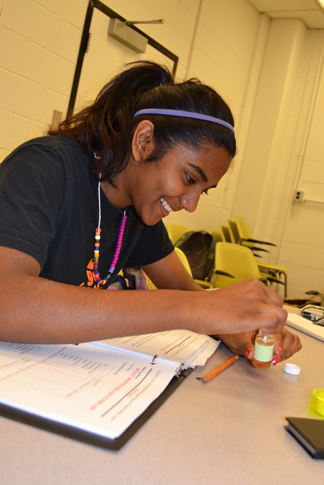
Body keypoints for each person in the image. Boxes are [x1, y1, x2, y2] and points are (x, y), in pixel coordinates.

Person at [0, 61, 301, 364]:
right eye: (189, 178)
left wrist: (237, 327)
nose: (191, 204)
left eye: (203, 190)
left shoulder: (137, 210)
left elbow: (187, 292)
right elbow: (6, 300)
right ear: (144, 141)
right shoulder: (44, 167)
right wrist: (195, 310)